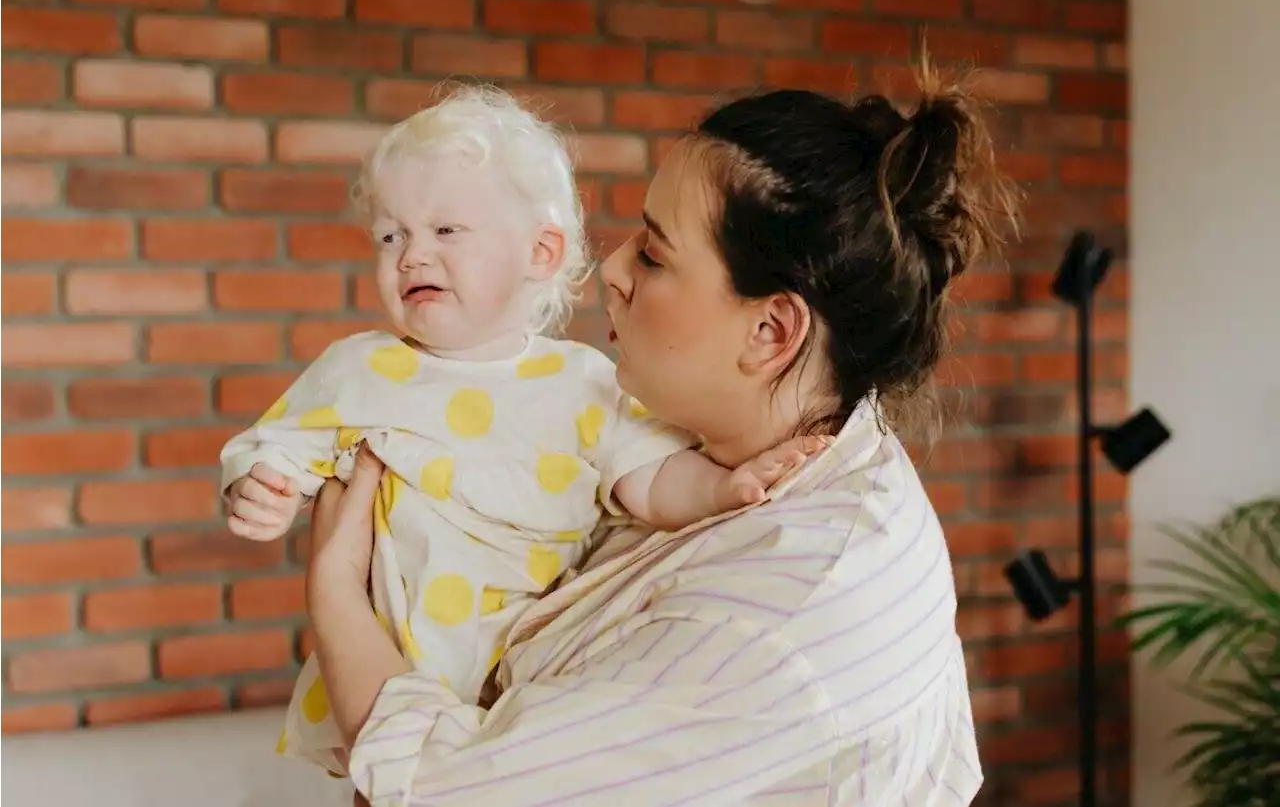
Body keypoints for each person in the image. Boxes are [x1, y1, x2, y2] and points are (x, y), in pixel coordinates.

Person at [305, 61, 1021, 806]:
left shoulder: (790, 600)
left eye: (653, 252)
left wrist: (336, 588)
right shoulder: (706, 452)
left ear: (771, 329)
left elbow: (447, 793)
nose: (611, 268)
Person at [218, 87, 819, 775]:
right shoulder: (359, 368)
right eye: (392, 235)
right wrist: (257, 487)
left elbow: (651, 480)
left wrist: (723, 486)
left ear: (540, 252)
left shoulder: (584, 384)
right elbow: (275, 447)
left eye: (446, 231)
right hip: (381, 674)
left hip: (518, 681)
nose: (412, 255)